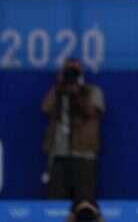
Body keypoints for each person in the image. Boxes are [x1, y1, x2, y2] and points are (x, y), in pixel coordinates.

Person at [42, 59, 105, 200]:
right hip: (58, 155)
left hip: (83, 154)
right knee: (56, 199)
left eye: (74, 71)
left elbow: (92, 112)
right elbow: (45, 108)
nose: (71, 75)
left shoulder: (92, 91)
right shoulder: (58, 92)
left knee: (84, 200)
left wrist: (78, 93)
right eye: (67, 71)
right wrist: (59, 86)